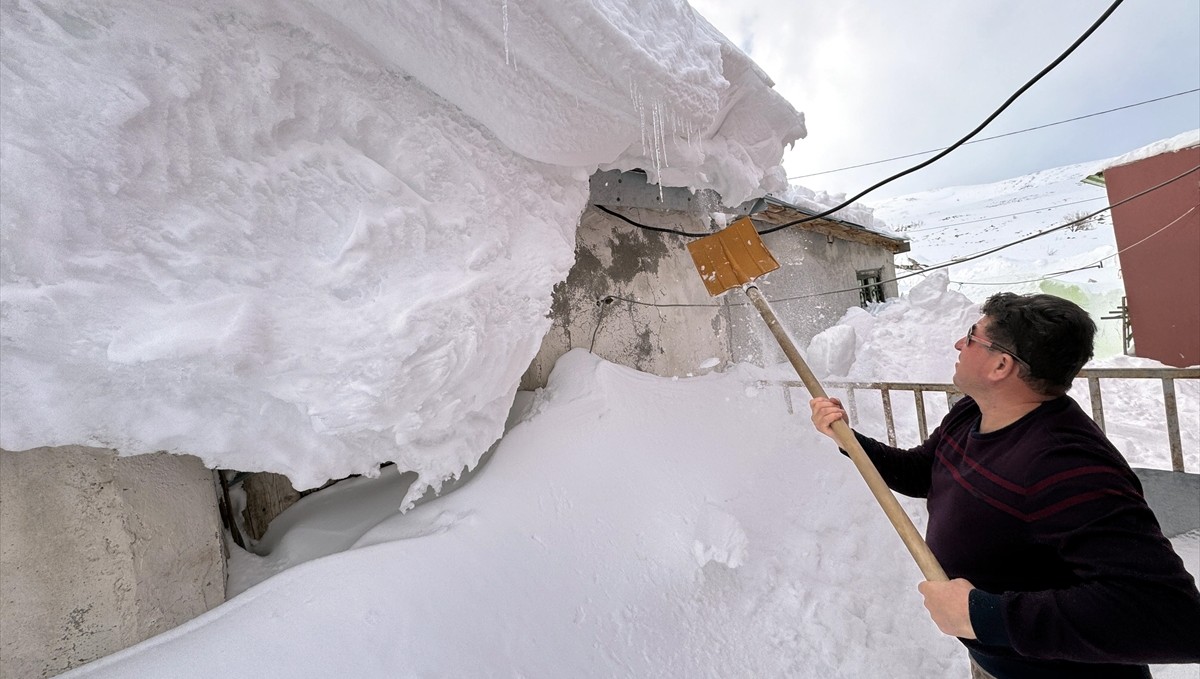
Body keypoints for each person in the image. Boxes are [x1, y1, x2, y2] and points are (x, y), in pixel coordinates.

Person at [809, 292, 1200, 679]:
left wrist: (983, 615)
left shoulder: (1064, 464)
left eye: (972, 336)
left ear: (1001, 365)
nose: (959, 344)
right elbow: (922, 473)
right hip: (997, 660)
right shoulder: (972, 413)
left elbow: (1169, 615)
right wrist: (848, 439)